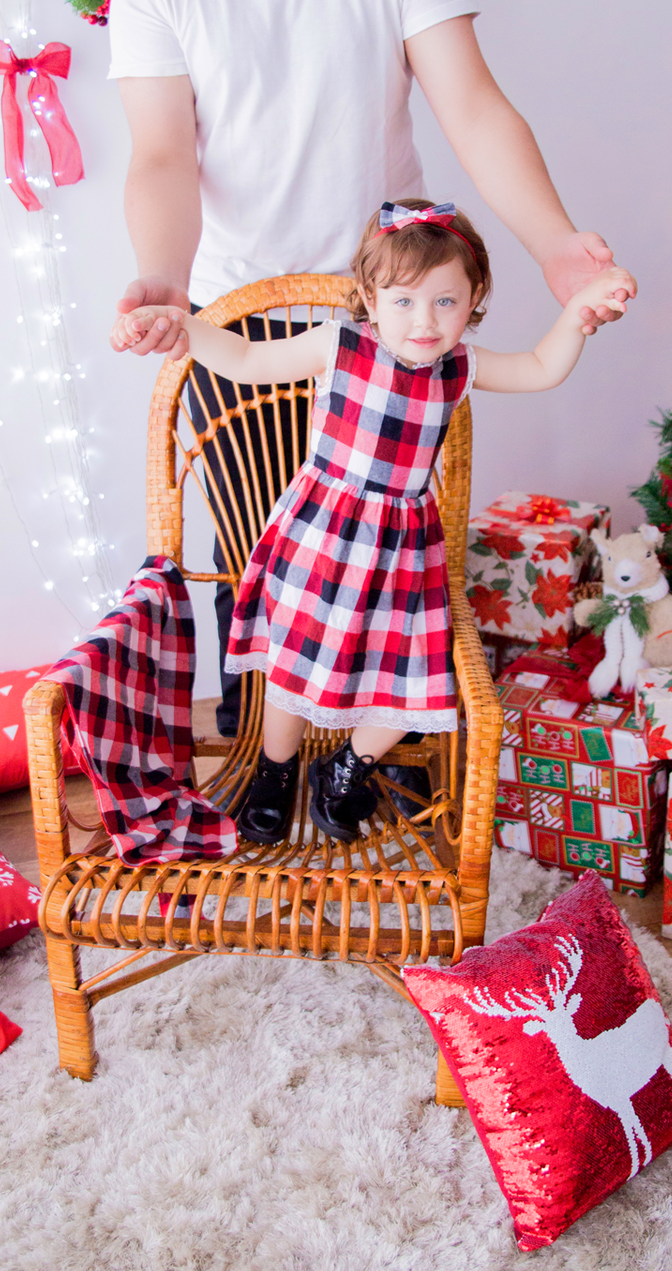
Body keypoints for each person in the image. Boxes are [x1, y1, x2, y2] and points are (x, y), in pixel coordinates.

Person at [107, 0, 635, 736]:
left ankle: (373, 769)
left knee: (385, 570)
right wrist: (160, 280)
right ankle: (268, 771)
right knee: (263, 567)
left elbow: (473, 108)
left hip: (390, 316)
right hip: (239, 320)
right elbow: (161, 156)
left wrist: (555, 246)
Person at [112, 199, 636, 845]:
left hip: (403, 551)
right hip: (324, 536)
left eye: (446, 301)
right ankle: (276, 771)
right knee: (293, 665)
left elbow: (540, 367)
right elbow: (247, 361)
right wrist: (182, 327)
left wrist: (579, 313)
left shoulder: (458, 368)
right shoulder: (344, 344)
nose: (425, 320)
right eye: (404, 301)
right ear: (369, 297)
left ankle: (346, 765)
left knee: (417, 680)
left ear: (475, 300)